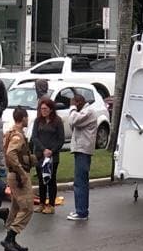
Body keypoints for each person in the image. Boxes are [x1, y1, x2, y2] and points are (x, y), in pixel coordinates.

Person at [2, 106, 35, 251]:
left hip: (13, 175)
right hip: (18, 176)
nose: (28, 120)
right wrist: (21, 171)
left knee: (16, 207)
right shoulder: (17, 136)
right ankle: (10, 237)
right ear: (23, 118)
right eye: (27, 117)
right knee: (27, 207)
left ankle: (11, 240)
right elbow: (11, 154)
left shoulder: (10, 132)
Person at [67, 93, 97, 222]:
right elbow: (73, 124)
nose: (72, 106)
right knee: (80, 181)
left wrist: (72, 108)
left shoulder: (88, 112)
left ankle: (81, 212)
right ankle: (81, 209)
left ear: (78, 102)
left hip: (84, 150)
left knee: (80, 182)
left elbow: (72, 120)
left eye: (74, 103)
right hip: (80, 149)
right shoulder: (84, 113)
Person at [33, 97, 65, 214]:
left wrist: (52, 150)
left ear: (51, 109)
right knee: (41, 180)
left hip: (53, 156)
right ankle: (41, 203)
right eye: (41, 109)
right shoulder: (38, 121)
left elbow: (61, 139)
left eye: (45, 109)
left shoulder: (57, 121)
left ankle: (51, 204)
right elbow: (34, 137)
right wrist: (43, 149)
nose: (43, 111)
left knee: (51, 180)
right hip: (40, 155)